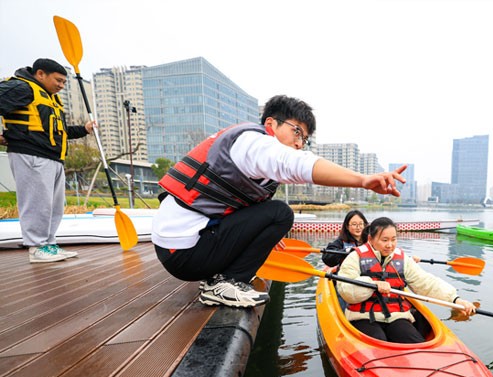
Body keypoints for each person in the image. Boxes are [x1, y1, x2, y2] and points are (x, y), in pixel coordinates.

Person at [152, 95, 407, 308]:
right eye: (297, 131)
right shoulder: (252, 142)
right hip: (185, 251)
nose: (298, 143)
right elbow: (297, 164)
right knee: (281, 213)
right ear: (271, 123)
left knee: (274, 216)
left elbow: (239, 209)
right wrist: (363, 180)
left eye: (303, 138)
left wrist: (262, 237)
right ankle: (224, 284)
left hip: (185, 248)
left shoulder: (254, 159)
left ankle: (223, 279)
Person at [0, 58, 95, 263]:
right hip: (31, 154)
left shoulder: (50, 98)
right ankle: (36, 247)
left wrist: (84, 130)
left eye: (64, 83)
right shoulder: (22, 88)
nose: (61, 86)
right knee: (37, 203)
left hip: (53, 157)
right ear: (41, 74)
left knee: (53, 205)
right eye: (58, 81)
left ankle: (48, 244)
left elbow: (60, 130)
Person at [336, 217, 476, 343]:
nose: (390, 245)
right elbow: (345, 290)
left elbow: (426, 283)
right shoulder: (355, 257)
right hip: (363, 316)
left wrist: (456, 300)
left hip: (395, 315)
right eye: (384, 240)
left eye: (393, 239)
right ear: (371, 239)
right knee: (378, 339)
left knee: (414, 340)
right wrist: (372, 284)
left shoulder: (403, 260)